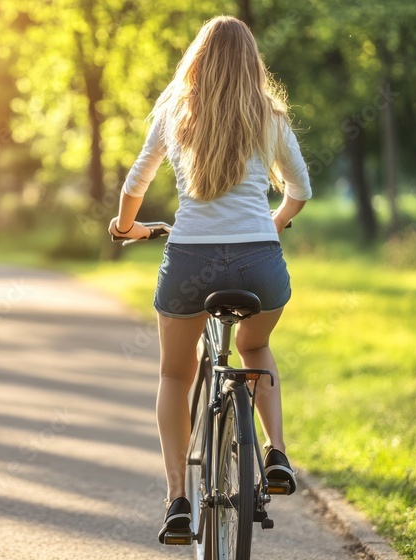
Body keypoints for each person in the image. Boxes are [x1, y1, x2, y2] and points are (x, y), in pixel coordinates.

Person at [107, 15, 311, 542]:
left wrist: (126, 227)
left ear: (195, 61)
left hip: (190, 264)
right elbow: (300, 190)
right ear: (252, 63)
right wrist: (272, 225)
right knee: (256, 348)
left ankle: (178, 499)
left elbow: (136, 181)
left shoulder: (176, 112)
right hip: (260, 263)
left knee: (176, 375)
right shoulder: (270, 116)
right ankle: (278, 455)